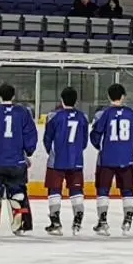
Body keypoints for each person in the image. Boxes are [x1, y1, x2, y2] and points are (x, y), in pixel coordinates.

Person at [0, 82, 38, 234]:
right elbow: (30, 134)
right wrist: (28, 153)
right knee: (18, 193)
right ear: (13, 96)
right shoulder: (23, 112)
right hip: (16, 162)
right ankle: (21, 224)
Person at [90, 83, 133, 235]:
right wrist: (131, 149)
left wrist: (101, 147)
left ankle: (103, 222)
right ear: (123, 96)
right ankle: (127, 221)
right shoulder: (132, 114)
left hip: (107, 158)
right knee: (128, 190)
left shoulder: (104, 113)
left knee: (103, 189)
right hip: (126, 157)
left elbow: (95, 134)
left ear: (108, 96)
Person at [42, 88, 89, 236]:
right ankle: (77, 220)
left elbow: (47, 139)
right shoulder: (83, 117)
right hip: (76, 159)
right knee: (76, 190)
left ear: (61, 99)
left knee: (54, 190)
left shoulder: (53, 116)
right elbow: (84, 142)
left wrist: (52, 152)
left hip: (57, 160)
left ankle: (55, 222)